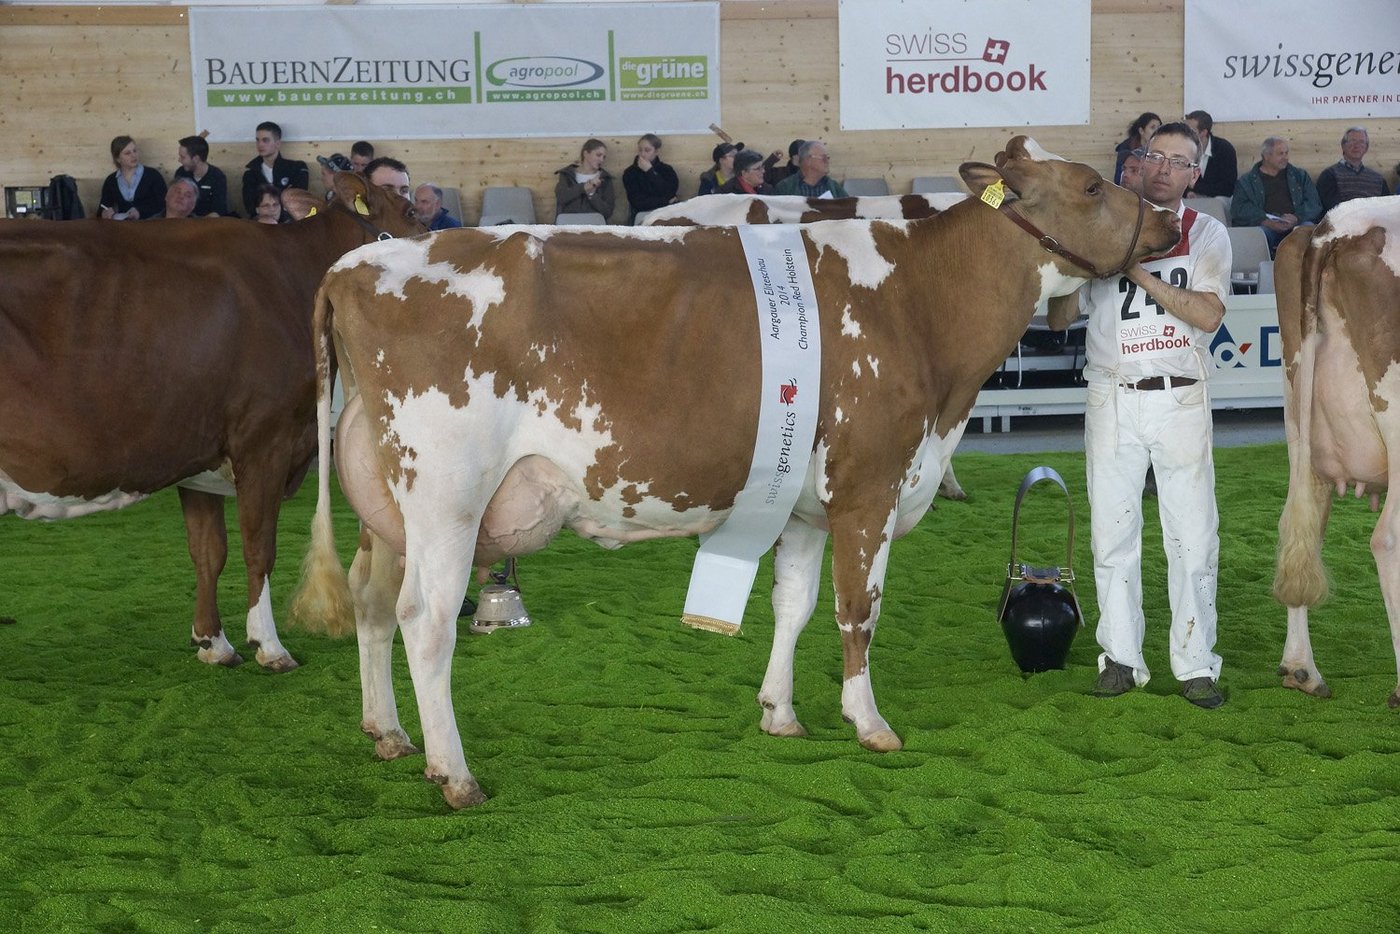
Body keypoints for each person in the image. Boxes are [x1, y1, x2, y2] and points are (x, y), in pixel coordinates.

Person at [1065, 122, 1231, 709]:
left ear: (1195, 173)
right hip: (1110, 391)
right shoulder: (1105, 225)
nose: (1161, 167)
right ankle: (1120, 659)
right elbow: (1062, 316)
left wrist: (1131, 266)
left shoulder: (1206, 231)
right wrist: (1074, 261)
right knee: (1112, 535)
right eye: (1153, 155)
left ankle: (1194, 664)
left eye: (1177, 160)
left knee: (1192, 536)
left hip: (1180, 393)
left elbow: (1208, 316)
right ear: (1137, 160)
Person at [1230, 137, 1322, 256]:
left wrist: (1296, 217)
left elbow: (1314, 203)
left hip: (1297, 224)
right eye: (1280, 154)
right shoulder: (1247, 181)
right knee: (1259, 236)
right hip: (1266, 227)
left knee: (1308, 230)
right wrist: (1265, 220)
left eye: (1286, 153)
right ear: (1266, 156)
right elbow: (1239, 208)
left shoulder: (1300, 176)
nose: (1286, 157)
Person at [240, 121, 309, 217]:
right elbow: (250, 206)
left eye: (265, 140)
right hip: (261, 224)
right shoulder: (250, 174)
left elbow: (297, 201)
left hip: (290, 224)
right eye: (257, 140)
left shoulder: (296, 168)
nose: (260, 144)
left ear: (277, 144)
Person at [1316, 127, 1390, 214]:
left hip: (1374, 223)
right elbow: (1331, 210)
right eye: (1352, 141)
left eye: (1361, 142)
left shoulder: (1378, 179)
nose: (1356, 146)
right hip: (1343, 223)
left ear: (1366, 148)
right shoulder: (1329, 175)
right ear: (1343, 146)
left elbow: (1387, 207)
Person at [99, 135, 167, 220]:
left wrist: (140, 212)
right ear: (117, 159)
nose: (133, 155)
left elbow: (164, 203)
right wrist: (104, 213)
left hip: (150, 226)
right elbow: (103, 206)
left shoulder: (153, 175)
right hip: (122, 228)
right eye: (127, 153)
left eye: (135, 151)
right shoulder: (111, 180)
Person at [620, 133, 679, 224]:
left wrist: (650, 172)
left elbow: (669, 191)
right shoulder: (630, 173)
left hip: (666, 215)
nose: (642, 154)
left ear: (656, 151)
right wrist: (666, 201)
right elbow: (637, 202)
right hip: (643, 215)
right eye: (640, 150)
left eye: (647, 150)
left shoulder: (667, 170)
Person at [554, 138, 614, 220]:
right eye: (598, 155)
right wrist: (583, 188)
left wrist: (592, 195)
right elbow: (561, 197)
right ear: (586, 154)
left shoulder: (605, 179)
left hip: (594, 226)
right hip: (569, 225)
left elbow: (608, 212)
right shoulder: (567, 174)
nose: (602, 160)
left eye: (604, 157)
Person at [1183, 110, 1237, 199]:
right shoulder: (1183, 148)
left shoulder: (1224, 149)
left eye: (1190, 131)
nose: (1185, 134)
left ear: (1203, 132)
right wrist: (1188, 192)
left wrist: (1195, 187)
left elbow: (1228, 188)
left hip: (1217, 200)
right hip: (1191, 198)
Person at [174, 135, 231, 216]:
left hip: (208, 224)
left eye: (182, 157)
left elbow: (218, 211)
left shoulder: (217, 177)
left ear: (196, 159)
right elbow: (175, 205)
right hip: (184, 223)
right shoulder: (181, 173)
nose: (179, 160)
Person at [773, 140, 849, 198]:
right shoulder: (785, 188)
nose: (827, 161)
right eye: (823, 157)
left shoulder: (834, 187)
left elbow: (850, 210)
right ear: (807, 160)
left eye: (827, 157)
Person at [1113, 112, 1160, 184]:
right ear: (1141, 131)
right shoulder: (1125, 148)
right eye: (1152, 127)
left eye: (1159, 128)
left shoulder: (1160, 150)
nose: (1157, 132)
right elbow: (1118, 179)